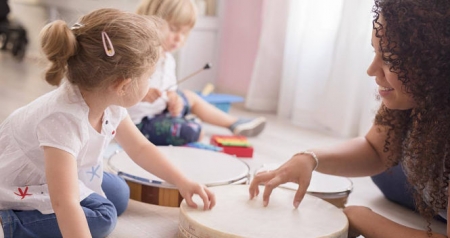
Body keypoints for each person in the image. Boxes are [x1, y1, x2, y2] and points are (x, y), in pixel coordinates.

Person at [0, 8, 215, 238]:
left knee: (120, 193)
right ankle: (8, 223)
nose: (151, 82)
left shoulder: (108, 100)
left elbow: (140, 148)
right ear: (123, 85)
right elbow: (65, 203)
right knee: (104, 216)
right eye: (148, 76)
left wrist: (183, 182)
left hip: (57, 171)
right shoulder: (63, 121)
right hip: (17, 185)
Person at [249, 0, 450, 237]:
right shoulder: (419, 101)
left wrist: (361, 219)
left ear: (434, 64)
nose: (371, 69)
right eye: (376, 52)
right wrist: (310, 158)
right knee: (386, 167)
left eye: (390, 59)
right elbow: (375, 150)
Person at [128, 0, 266, 146]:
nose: (179, 38)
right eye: (174, 29)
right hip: (137, 123)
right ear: (151, 21)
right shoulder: (137, 55)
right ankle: (187, 124)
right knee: (195, 131)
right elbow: (119, 90)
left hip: (159, 111)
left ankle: (234, 123)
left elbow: (169, 91)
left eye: (184, 33)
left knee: (188, 97)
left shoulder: (168, 59)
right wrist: (141, 93)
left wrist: (174, 101)